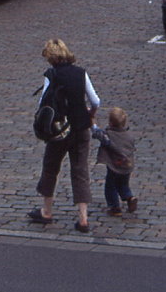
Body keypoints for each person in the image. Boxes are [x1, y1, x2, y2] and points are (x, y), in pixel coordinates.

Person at [28, 38, 100, 232]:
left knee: (51, 168)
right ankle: (83, 218)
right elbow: (95, 100)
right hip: (81, 128)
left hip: (60, 129)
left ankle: (47, 211)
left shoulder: (52, 74)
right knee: (80, 171)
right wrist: (90, 115)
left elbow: (43, 102)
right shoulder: (80, 73)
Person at [92, 107, 138, 216]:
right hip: (127, 165)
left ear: (110, 123)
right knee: (123, 184)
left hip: (114, 166)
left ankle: (115, 207)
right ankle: (130, 197)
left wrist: (92, 122)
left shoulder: (108, 135)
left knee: (111, 186)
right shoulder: (129, 136)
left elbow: (97, 134)